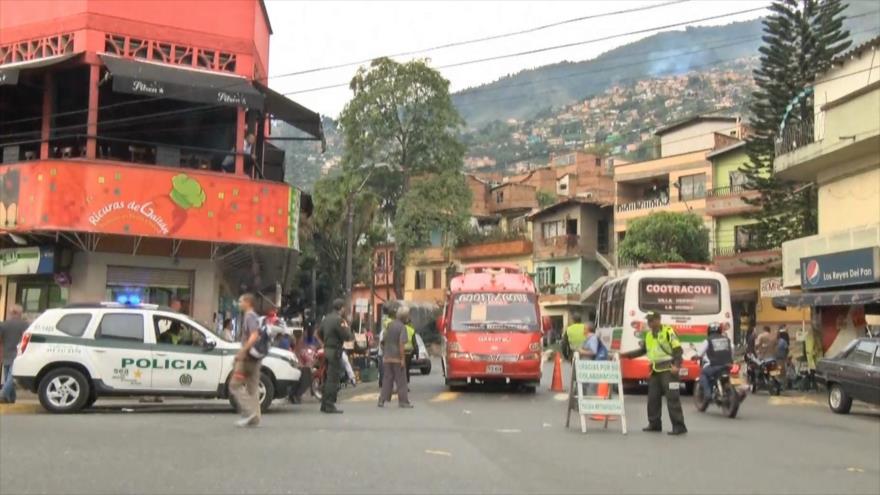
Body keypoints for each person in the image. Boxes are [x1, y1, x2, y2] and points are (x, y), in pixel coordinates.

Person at [622, 311, 687, 436]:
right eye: (648, 321)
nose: (650, 323)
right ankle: (654, 423)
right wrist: (624, 355)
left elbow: (678, 350)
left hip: (669, 369)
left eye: (652, 320)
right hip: (655, 370)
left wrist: (677, 366)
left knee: (672, 398)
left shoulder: (668, 332)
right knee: (653, 398)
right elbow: (642, 351)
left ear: (658, 320)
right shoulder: (649, 335)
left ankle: (679, 426)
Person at [229, 293, 263, 427]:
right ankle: (255, 417)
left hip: (247, 358)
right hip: (255, 357)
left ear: (248, 302)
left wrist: (242, 351)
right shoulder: (255, 317)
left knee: (234, 385)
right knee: (252, 388)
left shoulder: (249, 317)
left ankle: (249, 412)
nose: (239, 304)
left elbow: (254, 335)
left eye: (240, 301)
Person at [316, 299, 352, 414]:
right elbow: (347, 336)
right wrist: (347, 325)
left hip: (326, 350)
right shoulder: (339, 320)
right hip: (335, 351)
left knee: (326, 378)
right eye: (344, 308)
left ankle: (324, 404)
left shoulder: (326, 318)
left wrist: (324, 343)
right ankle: (330, 404)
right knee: (333, 379)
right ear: (341, 308)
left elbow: (319, 333)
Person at [378, 305, 414, 409]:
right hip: (397, 358)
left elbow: (383, 341)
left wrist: (385, 353)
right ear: (405, 317)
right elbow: (401, 344)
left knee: (387, 379)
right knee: (401, 380)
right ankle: (403, 402)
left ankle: (382, 399)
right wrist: (402, 359)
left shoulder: (389, 325)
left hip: (387, 357)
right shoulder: (402, 327)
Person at [693, 323, 733, 403]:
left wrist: (696, 356)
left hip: (715, 365)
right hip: (728, 365)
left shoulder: (708, 340)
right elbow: (732, 350)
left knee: (703, 374)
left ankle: (708, 395)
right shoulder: (727, 339)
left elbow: (700, 353)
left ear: (709, 331)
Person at [0, 305, 29, 404]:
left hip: (6, 354)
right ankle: (3, 395)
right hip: (18, 354)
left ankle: (10, 398)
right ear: (19, 313)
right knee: (12, 377)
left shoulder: (3, 325)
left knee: (9, 376)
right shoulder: (25, 325)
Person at [577, 322, 608, 396]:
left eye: (584, 328)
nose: (583, 330)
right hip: (586, 362)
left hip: (589, 362)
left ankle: (586, 397)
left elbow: (593, 351)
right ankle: (582, 396)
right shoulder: (588, 338)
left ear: (588, 330)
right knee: (583, 382)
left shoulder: (593, 338)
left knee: (587, 382)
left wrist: (582, 351)